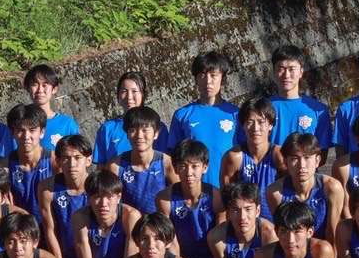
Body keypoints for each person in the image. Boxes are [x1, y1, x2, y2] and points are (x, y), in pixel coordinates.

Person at [167, 51, 240, 179]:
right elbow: (174, 159)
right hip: (195, 191)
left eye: (213, 75)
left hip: (229, 190)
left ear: (223, 79)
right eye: (202, 75)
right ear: (195, 80)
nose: (208, 81)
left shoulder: (236, 114)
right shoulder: (182, 115)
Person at [267, 131, 346, 242]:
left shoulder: (332, 188)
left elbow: (332, 232)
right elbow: (283, 234)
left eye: (307, 158)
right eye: (295, 158)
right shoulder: (275, 192)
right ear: (286, 161)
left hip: (324, 251)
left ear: (318, 160)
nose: (302, 166)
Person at [156, 139, 223, 258]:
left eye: (195, 166)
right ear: (175, 168)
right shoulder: (164, 199)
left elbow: (220, 241)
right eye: (183, 166)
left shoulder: (217, 197)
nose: (189, 173)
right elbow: (170, 241)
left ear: (205, 167)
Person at [267, 44, 333, 162]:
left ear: (301, 72)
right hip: (270, 177)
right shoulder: (263, 108)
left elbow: (321, 156)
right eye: (281, 69)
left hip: (305, 176)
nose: (286, 75)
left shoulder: (318, 110)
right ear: (274, 71)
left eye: (292, 69)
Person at [38, 134, 93, 258]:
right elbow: (50, 230)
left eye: (78, 158)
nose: (72, 164)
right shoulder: (47, 188)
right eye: (66, 158)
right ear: (57, 161)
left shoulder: (98, 187)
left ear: (89, 160)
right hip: (63, 257)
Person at [219, 97, 279, 216]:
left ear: (271, 125)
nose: (255, 128)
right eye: (250, 122)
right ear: (243, 125)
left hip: (276, 228)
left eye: (261, 122)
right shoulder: (233, 157)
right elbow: (227, 201)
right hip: (243, 227)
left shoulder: (280, 156)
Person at [111, 105, 175, 215]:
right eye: (133, 130)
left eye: (145, 130)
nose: (139, 136)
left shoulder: (168, 164)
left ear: (156, 134)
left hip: (160, 227)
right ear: (127, 134)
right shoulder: (115, 166)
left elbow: (178, 202)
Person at [4, 103, 54, 214]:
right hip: (19, 228)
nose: (26, 137)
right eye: (21, 130)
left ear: (42, 132)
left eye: (32, 130)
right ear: (13, 132)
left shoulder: (56, 162)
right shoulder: (3, 168)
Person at [94, 71, 152, 165]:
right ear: (118, 95)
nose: (129, 97)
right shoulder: (107, 129)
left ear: (143, 94)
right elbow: (101, 168)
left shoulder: (155, 126)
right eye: (124, 91)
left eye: (134, 91)